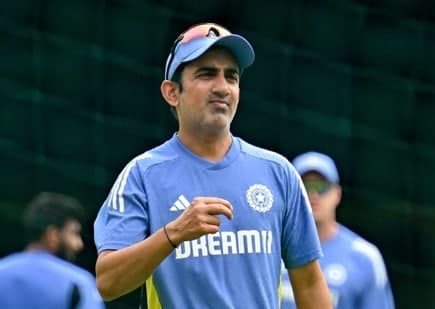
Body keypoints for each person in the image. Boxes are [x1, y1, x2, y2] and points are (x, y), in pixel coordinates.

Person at [93, 22, 332, 309]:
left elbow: (309, 281)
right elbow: (108, 283)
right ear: (172, 92)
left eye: (231, 77)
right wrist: (173, 234)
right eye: (207, 74)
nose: (222, 87)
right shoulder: (142, 175)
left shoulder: (278, 172)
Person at [280, 151, 395, 309]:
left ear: (337, 194)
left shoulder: (365, 257)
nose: (313, 194)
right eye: (304, 186)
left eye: (322, 187)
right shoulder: (270, 249)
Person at [0, 192, 105, 309]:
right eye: (74, 234)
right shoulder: (78, 283)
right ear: (52, 235)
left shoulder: (2, 271)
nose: (79, 244)